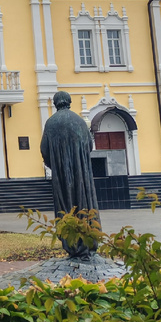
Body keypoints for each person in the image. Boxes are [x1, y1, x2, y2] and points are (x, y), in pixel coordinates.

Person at [40, 90, 101, 257]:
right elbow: (89, 145)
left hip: (62, 175)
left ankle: (72, 243)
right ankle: (89, 240)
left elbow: (44, 149)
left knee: (66, 205)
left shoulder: (51, 123)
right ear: (69, 102)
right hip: (82, 172)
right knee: (84, 203)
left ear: (55, 103)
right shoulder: (79, 121)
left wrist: (56, 165)